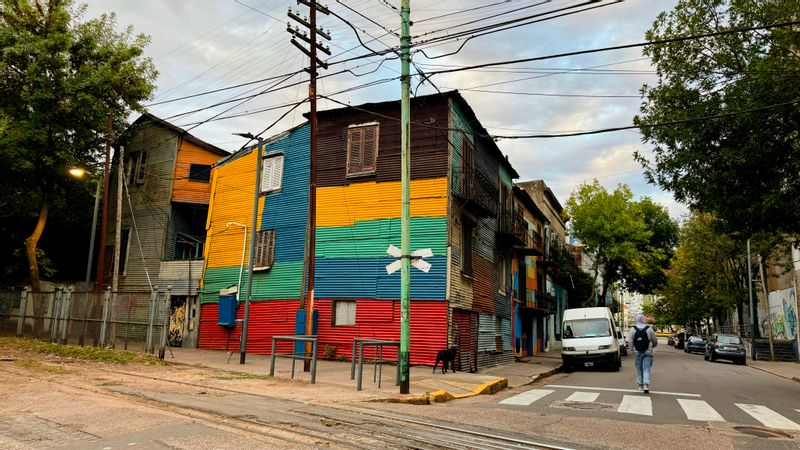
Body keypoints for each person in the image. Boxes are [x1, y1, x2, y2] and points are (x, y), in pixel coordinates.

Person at [627, 314, 658, 393]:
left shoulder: (632, 329)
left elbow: (630, 341)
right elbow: (655, 341)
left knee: (639, 368)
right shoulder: (649, 329)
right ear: (644, 320)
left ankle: (640, 385)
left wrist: (632, 349)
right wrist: (652, 347)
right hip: (648, 351)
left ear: (636, 320)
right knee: (646, 368)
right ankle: (646, 385)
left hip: (637, 352)